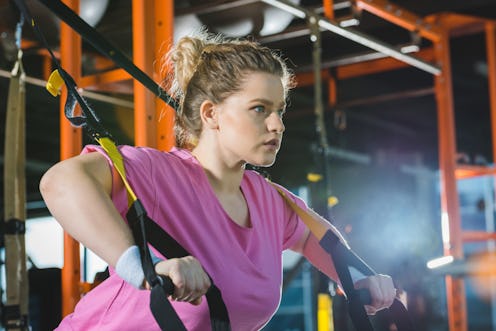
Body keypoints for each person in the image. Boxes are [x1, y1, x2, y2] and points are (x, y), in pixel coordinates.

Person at [40, 29, 396, 331]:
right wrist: (144, 269)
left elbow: (319, 238)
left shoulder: (270, 201)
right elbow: (61, 182)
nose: (278, 125)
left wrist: (357, 278)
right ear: (211, 114)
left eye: (280, 110)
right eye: (260, 109)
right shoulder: (157, 173)